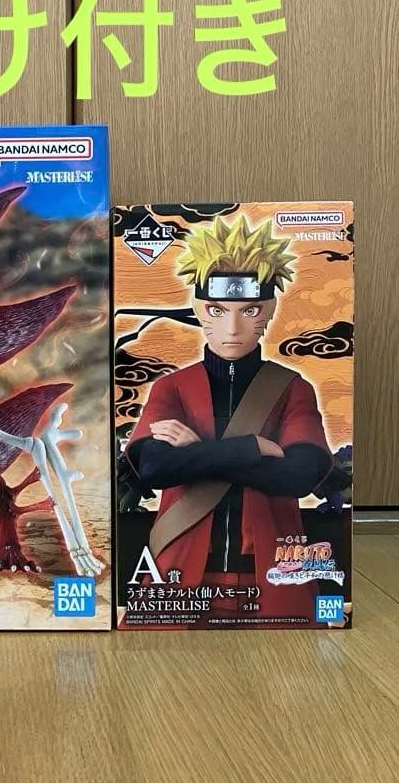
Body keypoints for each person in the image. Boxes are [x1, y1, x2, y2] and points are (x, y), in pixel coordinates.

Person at [122, 215, 333, 622]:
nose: (232, 328)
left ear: (269, 310)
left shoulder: (293, 388)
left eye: (249, 309)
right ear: (198, 310)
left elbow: (298, 475)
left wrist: (198, 452)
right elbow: (153, 468)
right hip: (177, 572)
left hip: (274, 576)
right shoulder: (171, 387)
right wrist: (252, 448)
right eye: (217, 310)